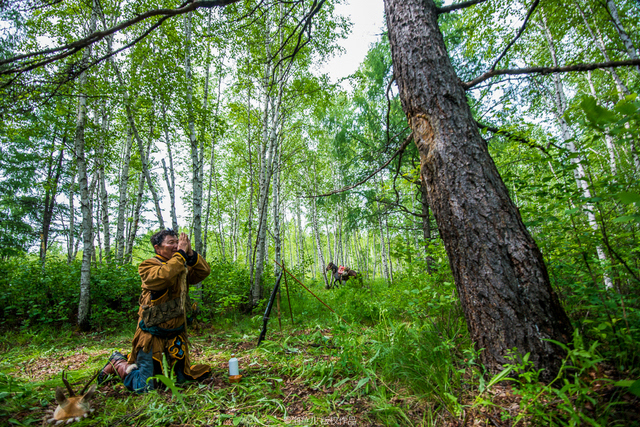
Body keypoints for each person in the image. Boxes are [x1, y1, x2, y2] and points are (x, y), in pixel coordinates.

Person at [98, 229, 211, 392]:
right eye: (170, 243)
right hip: (152, 337)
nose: (175, 246)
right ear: (158, 248)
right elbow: (162, 277)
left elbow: (203, 271)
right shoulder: (148, 265)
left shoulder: (180, 266)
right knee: (146, 387)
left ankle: (160, 367)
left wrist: (190, 253)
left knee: (181, 379)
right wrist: (181, 254)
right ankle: (118, 363)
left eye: (176, 242)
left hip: (175, 336)